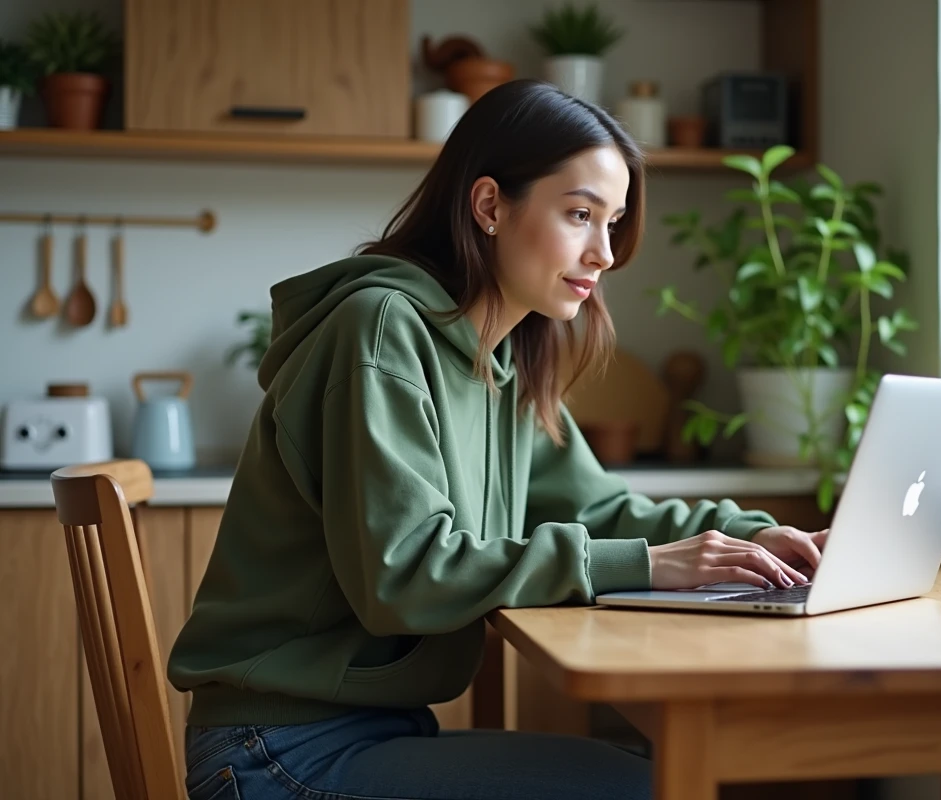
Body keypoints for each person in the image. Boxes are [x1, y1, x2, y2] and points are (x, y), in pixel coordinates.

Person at [168, 79, 826, 800]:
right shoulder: (380, 329)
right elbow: (406, 575)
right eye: (580, 214)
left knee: (652, 778)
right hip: (276, 749)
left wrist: (750, 537)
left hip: (375, 728)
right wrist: (650, 564)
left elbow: (596, 507)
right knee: (647, 790)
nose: (604, 253)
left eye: (614, 223)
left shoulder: (501, 357)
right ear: (489, 206)